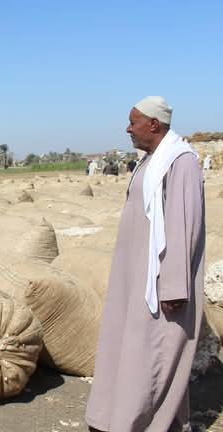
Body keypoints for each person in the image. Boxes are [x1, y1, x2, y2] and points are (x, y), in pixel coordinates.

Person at [86, 96, 205, 432]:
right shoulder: (150, 161)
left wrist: (173, 285)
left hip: (163, 283)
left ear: (154, 124)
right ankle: (125, 416)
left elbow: (184, 227)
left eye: (133, 121)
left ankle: (146, 422)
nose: (128, 127)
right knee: (135, 351)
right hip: (137, 275)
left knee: (156, 353)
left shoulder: (180, 162)